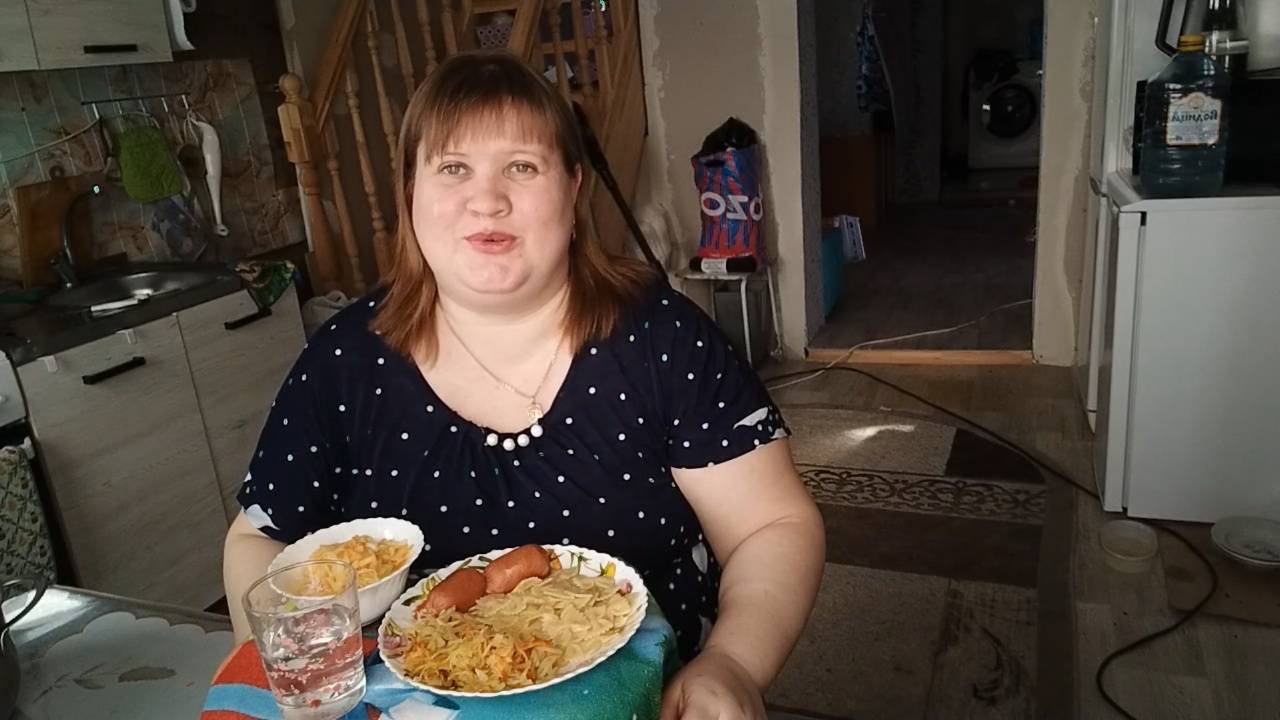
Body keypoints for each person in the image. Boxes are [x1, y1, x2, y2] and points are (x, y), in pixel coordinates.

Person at [223, 51, 824, 719]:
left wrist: (734, 663)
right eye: (453, 168)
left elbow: (771, 525)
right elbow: (259, 541)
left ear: (573, 187)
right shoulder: (345, 361)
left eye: (522, 166)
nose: (487, 200)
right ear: (410, 192)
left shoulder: (663, 339)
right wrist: (298, 677)